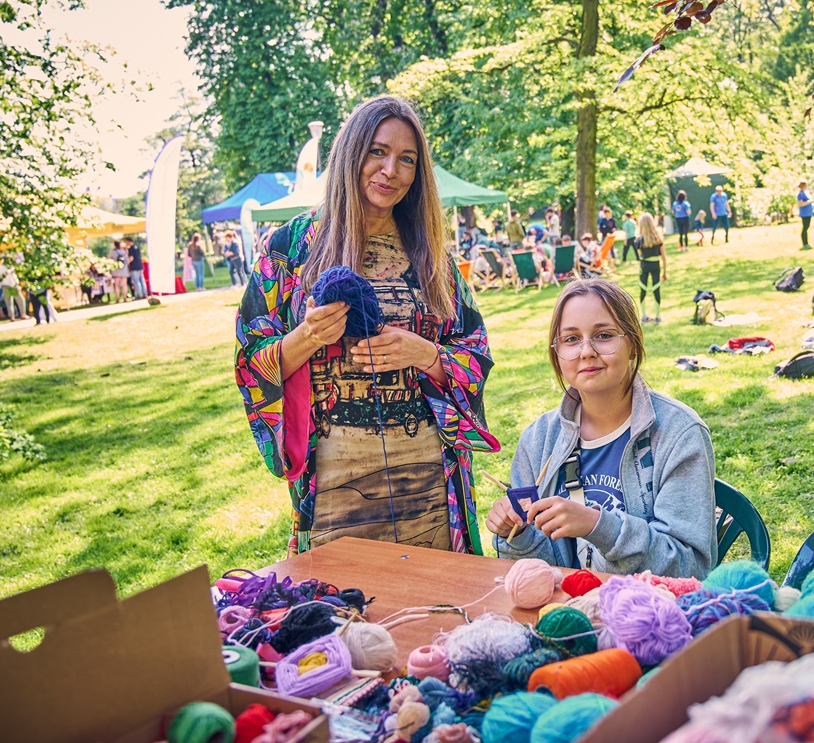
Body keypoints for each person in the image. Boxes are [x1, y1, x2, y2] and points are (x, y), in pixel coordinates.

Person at [235, 95, 500, 557]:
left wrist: (426, 354)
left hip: (430, 484)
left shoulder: (429, 255)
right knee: (344, 616)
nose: (391, 170)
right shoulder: (291, 247)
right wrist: (307, 337)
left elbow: (475, 352)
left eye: (407, 160)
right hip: (335, 485)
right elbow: (249, 362)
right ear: (350, 154)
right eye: (377, 151)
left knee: (438, 608)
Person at [488, 279, 717, 577]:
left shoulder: (679, 434)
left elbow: (691, 567)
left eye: (604, 335)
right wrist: (517, 536)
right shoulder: (538, 440)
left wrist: (600, 527)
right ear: (556, 353)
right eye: (571, 339)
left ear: (633, 343)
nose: (586, 351)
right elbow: (536, 575)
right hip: (563, 613)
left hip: (648, 615)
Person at [635, 212, 668, 323]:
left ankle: (644, 315)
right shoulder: (658, 239)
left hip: (644, 266)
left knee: (643, 289)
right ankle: (657, 316)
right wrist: (665, 272)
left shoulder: (639, 240)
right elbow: (664, 257)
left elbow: (640, 255)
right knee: (656, 289)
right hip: (656, 265)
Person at [796, 181, 814, 250]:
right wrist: (810, 201)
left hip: (808, 213)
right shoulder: (800, 194)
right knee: (805, 228)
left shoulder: (805, 193)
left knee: (807, 227)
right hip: (804, 213)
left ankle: (806, 242)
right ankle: (805, 243)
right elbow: (801, 204)